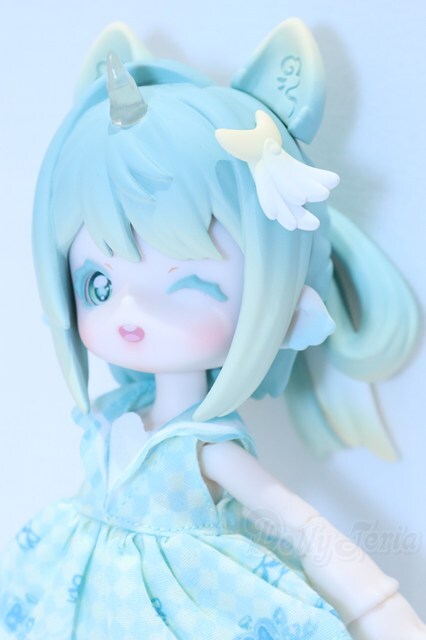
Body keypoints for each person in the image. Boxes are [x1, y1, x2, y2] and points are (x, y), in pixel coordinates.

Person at [0, 18, 424, 639]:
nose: (129, 314)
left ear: (272, 299)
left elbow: (301, 526)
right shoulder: (112, 413)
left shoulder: (206, 447)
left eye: (188, 285)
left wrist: (379, 607)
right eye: (99, 284)